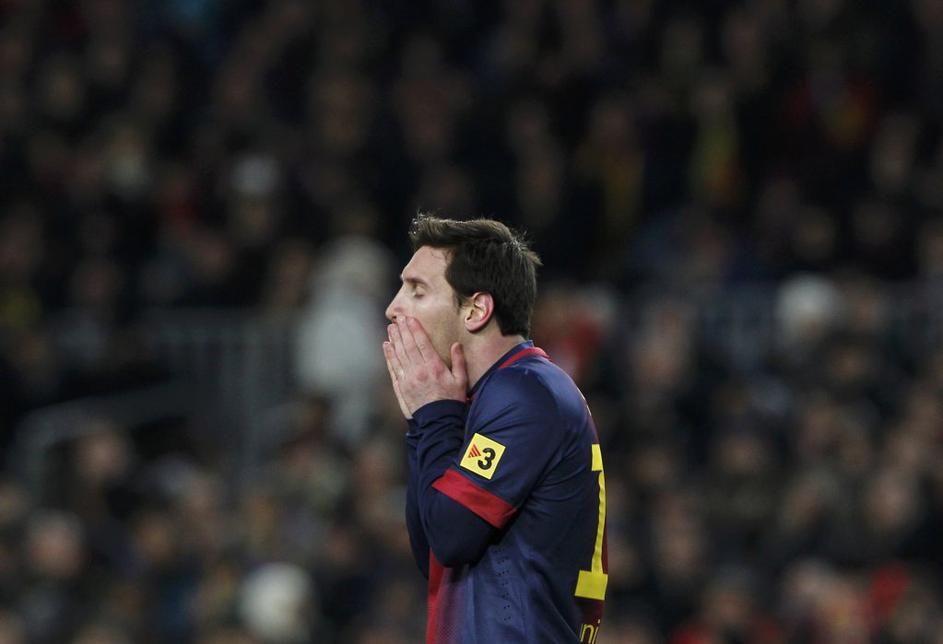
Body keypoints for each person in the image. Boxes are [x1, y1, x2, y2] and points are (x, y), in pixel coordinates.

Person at [382, 214, 608, 643]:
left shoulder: (526, 393)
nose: (394, 307)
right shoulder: (483, 398)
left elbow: (452, 537)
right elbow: (431, 552)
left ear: (477, 310)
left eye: (417, 290)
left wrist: (433, 416)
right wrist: (425, 420)